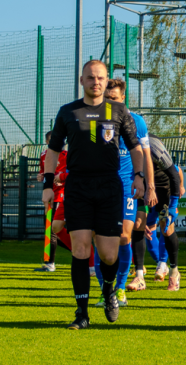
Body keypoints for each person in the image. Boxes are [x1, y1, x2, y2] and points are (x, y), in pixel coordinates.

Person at [43, 60, 144, 330]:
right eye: (90, 77)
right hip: (78, 186)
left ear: (106, 79)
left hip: (110, 186)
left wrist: (139, 176)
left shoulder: (119, 110)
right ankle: (82, 313)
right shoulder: (67, 112)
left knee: (109, 253)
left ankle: (109, 291)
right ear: (82, 80)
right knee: (80, 248)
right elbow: (53, 150)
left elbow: (136, 147)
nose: (95, 82)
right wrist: (48, 184)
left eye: (100, 78)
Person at [91, 79, 153, 307]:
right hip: (101, 185)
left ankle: (119, 289)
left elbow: (145, 155)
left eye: (114, 99)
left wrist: (148, 184)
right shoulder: (94, 119)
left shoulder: (136, 122)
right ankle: (103, 290)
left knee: (125, 236)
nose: (109, 103)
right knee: (99, 239)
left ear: (123, 98)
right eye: (107, 99)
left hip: (127, 185)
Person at [129, 135, 183, 291]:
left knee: (166, 226)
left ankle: (173, 271)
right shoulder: (123, 145)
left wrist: (173, 206)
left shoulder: (154, 147)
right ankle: (139, 276)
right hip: (141, 186)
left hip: (163, 187)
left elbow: (174, 174)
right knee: (138, 224)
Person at [36, 131, 70, 272]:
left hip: (61, 195)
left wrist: (63, 181)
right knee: (49, 229)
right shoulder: (44, 155)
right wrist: (41, 176)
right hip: (50, 194)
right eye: (51, 140)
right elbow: (44, 174)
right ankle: (79, 248)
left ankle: (50, 263)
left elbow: (72, 174)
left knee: (53, 230)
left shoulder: (67, 155)